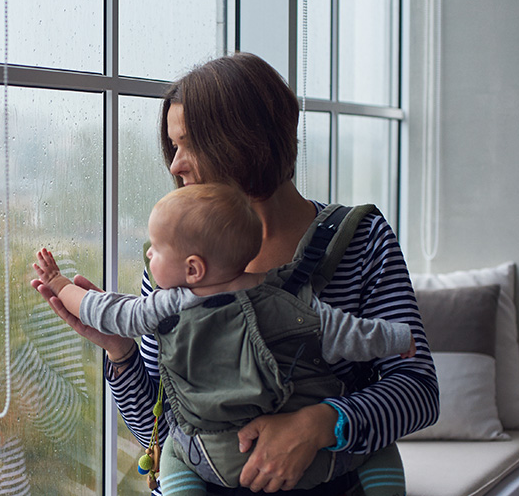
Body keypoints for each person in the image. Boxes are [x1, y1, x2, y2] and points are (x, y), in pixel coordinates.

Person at [31, 52, 438, 495]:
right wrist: (121, 353)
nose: (175, 165)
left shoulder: (361, 240)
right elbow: (166, 435)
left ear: (246, 140)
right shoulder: (176, 263)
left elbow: (418, 392)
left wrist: (319, 424)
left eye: (190, 145)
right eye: (173, 146)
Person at [32, 183, 416, 494]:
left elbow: (103, 309)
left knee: (174, 457)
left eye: (156, 251)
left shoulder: (168, 305)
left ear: (194, 268)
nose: (149, 256)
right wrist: (399, 338)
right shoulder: (286, 298)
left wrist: (59, 282)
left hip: (215, 458)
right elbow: (349, 333)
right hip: (325, 462)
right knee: (377, 449)